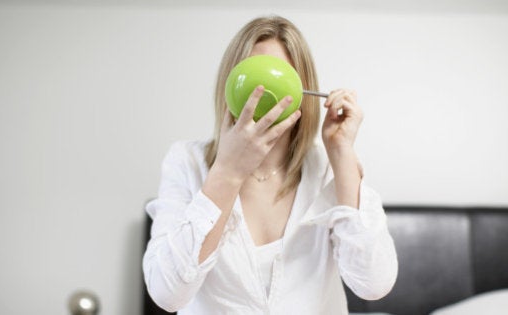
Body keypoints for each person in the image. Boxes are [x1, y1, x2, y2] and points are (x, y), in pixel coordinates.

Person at [143, 16, 397, 314]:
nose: (262, 95)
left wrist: (341, 153)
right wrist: (227, 172)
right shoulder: (187, 161)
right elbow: (166, 294)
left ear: (304, 91)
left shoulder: (326, 169)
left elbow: (374, 284)